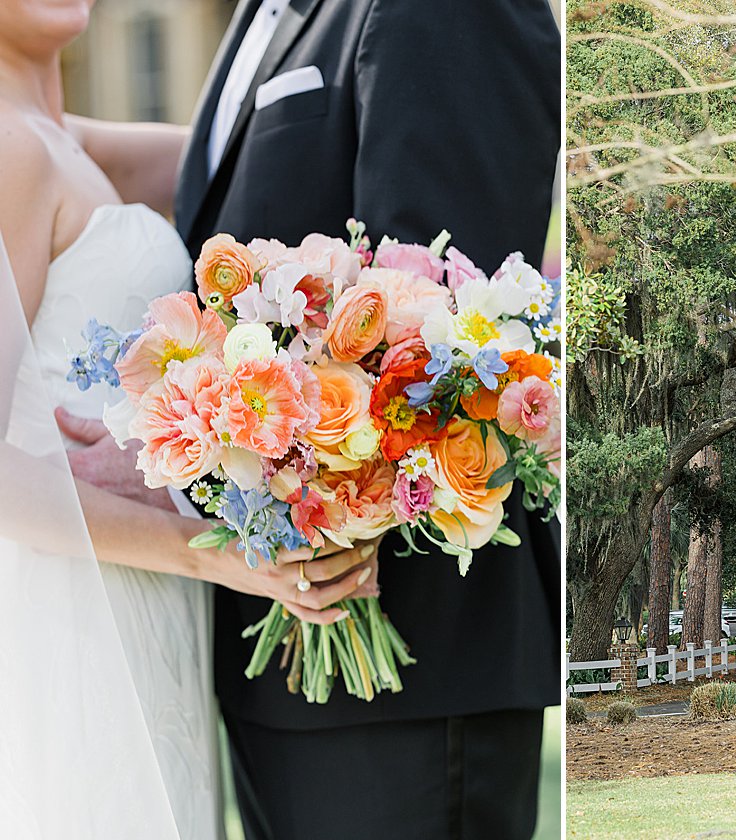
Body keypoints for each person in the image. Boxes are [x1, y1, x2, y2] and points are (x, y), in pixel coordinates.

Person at [62, 1, 562, 838]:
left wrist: (186, 469)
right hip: (272, 673)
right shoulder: (268, 14)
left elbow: (437, 333)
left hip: (402, 672)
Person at [0, 2, 376, 836]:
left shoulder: (70, 141)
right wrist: (217, 554)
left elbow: (266, 154)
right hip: (71, 604)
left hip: (144, 601)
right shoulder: (11, 150)